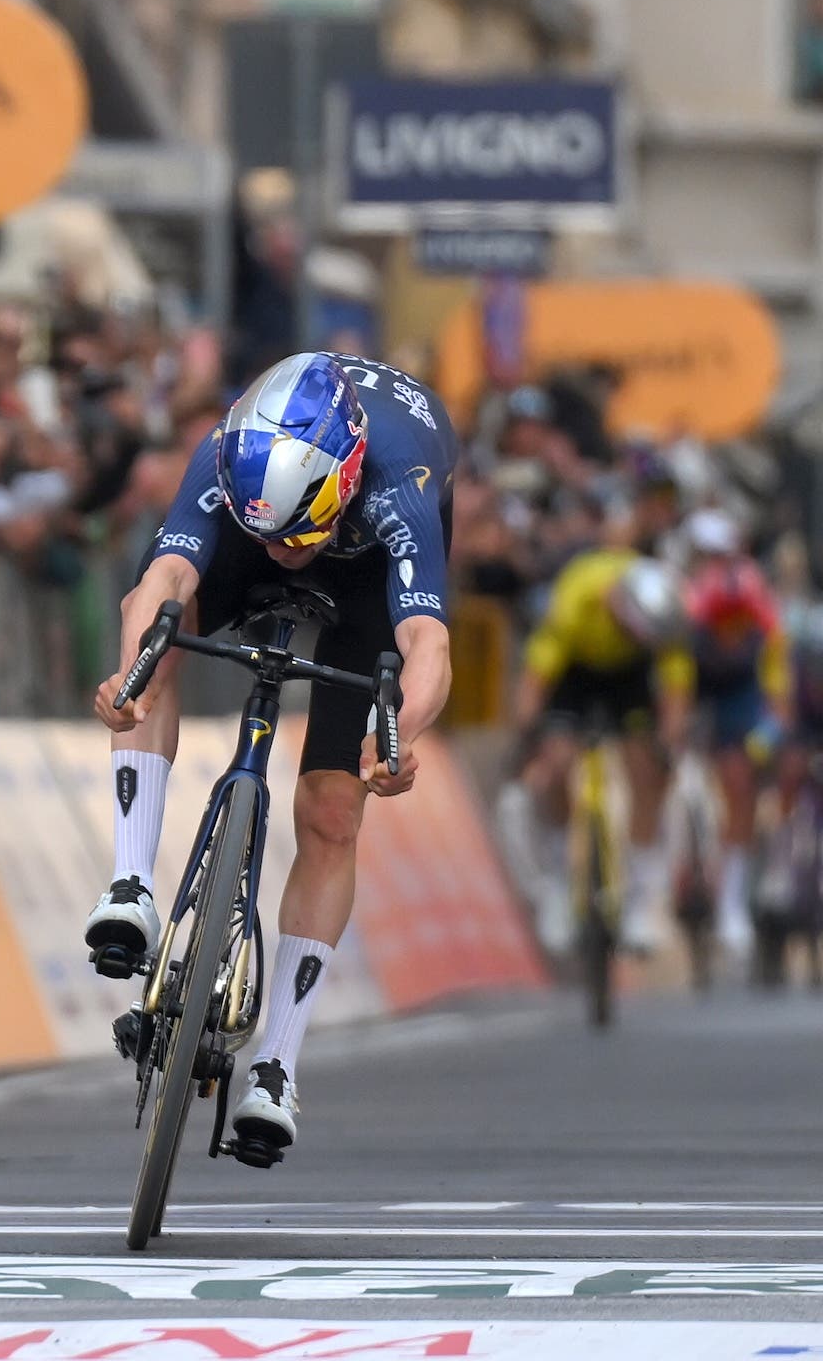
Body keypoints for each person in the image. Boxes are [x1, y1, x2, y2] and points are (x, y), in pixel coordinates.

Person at [87, 350, 457, 1153]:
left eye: (301, 536)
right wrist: (131, 674)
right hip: (261, 509)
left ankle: (278, 1066)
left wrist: (400, 734)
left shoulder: (400, 487)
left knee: (331, 808)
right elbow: (160, 584)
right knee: (161, 645)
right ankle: (130, 885)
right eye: (272, 538)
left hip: (363, 579)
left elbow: (426, 641)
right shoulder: (227, 453)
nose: (287, 550)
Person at [510, 544, 694, 956]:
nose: (630, 636)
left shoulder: (663, 612)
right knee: (555, 763)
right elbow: (538, 674)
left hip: (630, 678)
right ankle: (559, 880)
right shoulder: (579, 595)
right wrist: (528, 731)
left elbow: (675, 685)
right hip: (574, 670)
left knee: (649, 767)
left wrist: (668, 742)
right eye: (629, 630)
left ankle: (640, 898)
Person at [681, 507, 789, 957]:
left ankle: (732, 902)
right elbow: (676, 663)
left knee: (740, 783)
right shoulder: (687, 591)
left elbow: (776, 661)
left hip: (741, 695)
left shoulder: (749, 587)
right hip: (697, 686)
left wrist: (773, 723)